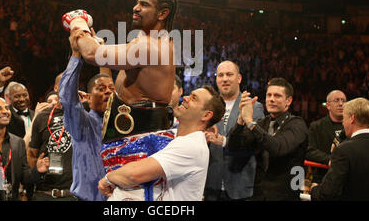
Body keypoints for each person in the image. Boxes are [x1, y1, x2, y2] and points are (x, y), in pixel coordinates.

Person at [66, 0, 178, 200]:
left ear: (163, 13)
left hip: (140, 139)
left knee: (131, 202)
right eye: (138, 3)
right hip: (132, 132)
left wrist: (79, 26)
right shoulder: (154, 36)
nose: (135, 6)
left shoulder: (148, 46)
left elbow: (93, 55)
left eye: (144, 6)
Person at [98, 85, 225, 201]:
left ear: (206, 115)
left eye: (194, 98)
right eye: (189, 95)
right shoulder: (176, 135)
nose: (185, 98)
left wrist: (107, 179)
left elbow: (134, 174)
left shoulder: (191, 145)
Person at [228, 77, 308, 201]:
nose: (271, 99)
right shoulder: (261, 123)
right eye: (269, 95)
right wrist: (241, 119)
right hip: (259, 194)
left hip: (285, 195)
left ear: (288, 101)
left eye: (277, 96)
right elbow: (234, 148)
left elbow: (278, 148)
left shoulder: (297, 124)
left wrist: (250, 122)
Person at [59, 45, 115, 201]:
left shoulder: (122, 125)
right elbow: (67, 99)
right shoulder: (82, 123)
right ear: (89, 98)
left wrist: (101, 50)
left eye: (111, 88)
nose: (108, 91)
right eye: (101, 88)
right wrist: (76, 56)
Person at [205, 61, 265, 201]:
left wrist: (224, 141)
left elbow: (253, 144)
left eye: (229, 74)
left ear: (239, 78)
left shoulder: (253, 107)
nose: (225, 79)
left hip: (240, 187)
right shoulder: (207, 107)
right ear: (216, 79)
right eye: (221, 75)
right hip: (211, 185)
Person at [311, 97, 369, 200]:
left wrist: (314, 189)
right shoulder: (344, 149)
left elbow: (326, 194)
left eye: (344, 118)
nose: (343, 123)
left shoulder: (343, 150)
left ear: (352, 118)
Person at [27, 90, 77, 201]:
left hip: (72, 194)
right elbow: (31, 154)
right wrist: (36, 172)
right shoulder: (42, 117)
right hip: (45, 193)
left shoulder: (80, 113)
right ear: (57, 88)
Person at [306, 90, 347, 183]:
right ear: (328, 105)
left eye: (343, 100)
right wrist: (329, 160)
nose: (341, 104)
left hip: (348, 177)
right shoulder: (317, 126)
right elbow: (309, 150)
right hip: (324, 176)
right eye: (336, 100)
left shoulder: (354, 125)